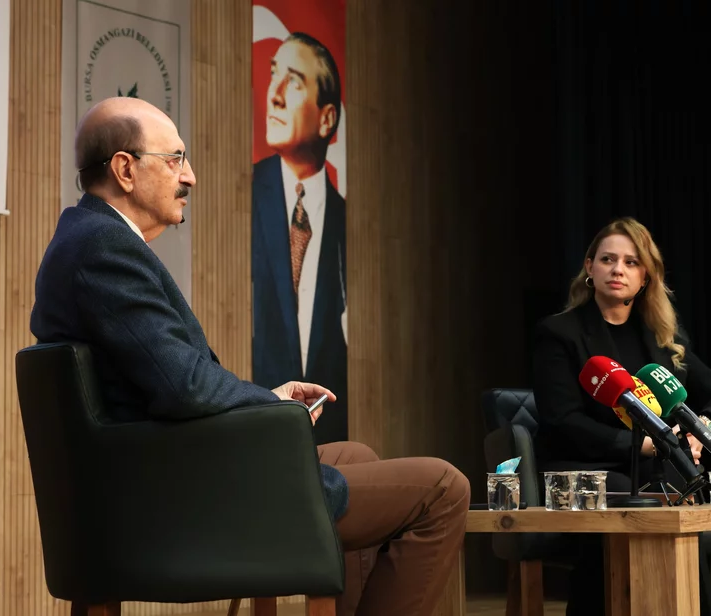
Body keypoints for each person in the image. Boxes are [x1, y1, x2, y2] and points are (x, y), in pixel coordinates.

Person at [30, 96, 469, 616]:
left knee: (356, 457)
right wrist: (271, 405)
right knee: (445, 488)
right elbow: (184, 387)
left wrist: (271, 399)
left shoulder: (86, 238)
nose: (190, 176)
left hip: (151, 472)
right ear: (125, 169)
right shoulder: (104, 247)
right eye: (175, 159)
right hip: (176, 497)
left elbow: (173, 382)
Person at [532, 216, 711, 616]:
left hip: (651, 468)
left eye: (631, 262)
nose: (618, 270)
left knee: (674, 491)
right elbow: (563, 421)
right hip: (582, 468)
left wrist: (703, 427)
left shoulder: (664, 339)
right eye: (608, 259)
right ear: (590, 268)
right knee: (637, 495)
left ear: (645, 277)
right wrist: (646, 444)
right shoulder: (560, 333)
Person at [252, 32, 348, 446]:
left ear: (326, 119)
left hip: (327, 435)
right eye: (273, 76)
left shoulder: (344, 218)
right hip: (261, 435)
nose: (273, 96)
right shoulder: (248, 195)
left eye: (292, 82)